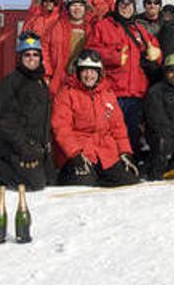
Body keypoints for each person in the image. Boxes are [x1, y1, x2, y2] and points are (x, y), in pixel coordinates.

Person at [87, 0, 162, 154]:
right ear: (116, 5)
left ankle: (131, 163)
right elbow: (91, 51)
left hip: (136, 93)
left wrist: (156, 54)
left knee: (132, 134)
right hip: (113, 92)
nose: (126, 8)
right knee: (110, 132)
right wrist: (114, 56)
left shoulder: (139, 29)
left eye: (129, 5)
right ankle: (112, 164)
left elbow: (154, 46)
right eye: (122, 4)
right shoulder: (102, 26)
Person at [51, 49, 140, 187]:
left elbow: (118, 128)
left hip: (105, 151)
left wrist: (124, 152)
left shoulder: (107, 95)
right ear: (78, 72)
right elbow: (61, 128)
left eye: (93, 71)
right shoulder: (67, 93)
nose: (89, 75)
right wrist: (75, 154)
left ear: (99, 74)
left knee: (128, 181)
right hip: (79, 152)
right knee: (84, 185)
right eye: (85, 71)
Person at [0, 32, 55, 190]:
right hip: (17, 147)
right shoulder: (11, 82)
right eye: (27, 55)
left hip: (37, 147)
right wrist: (24, 146)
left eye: (35, 54)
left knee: (51, 180)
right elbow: (4, 119)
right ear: (20, 57)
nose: (31, 58)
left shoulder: (42, 82)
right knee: (34, 184)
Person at [43, 0, 95, 95]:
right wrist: (47, 74)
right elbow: (44, 49)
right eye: (73, 5)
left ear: (85, 8)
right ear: (68, 7)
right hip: (58, 79)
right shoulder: (56, 26)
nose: (77, 9)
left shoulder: (91, 30)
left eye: (80, 5)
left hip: (82, 79)